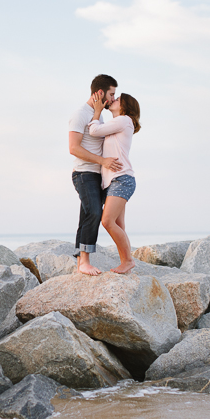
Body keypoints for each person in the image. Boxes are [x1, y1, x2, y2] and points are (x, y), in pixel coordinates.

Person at [68, 75, 122, 276]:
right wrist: (103, 162)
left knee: (87, 213)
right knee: (94, 213)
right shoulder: (80, 114)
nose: (113, 98)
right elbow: (73, 148)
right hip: (84, 173)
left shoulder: (98, 115)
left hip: (97, 175)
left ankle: (81, 260)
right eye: (111, 94)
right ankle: (84, 261)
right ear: (100, 93)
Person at [88, 93, 141, 274]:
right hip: (116, 180)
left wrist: (96, 112)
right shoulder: (116, 125)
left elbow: (94, 130)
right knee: (119, 224)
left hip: (122, 179)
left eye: (117, 99)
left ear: (125, 106)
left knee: (107, 221)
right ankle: (125, 261)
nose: (114, 100)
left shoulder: (124, 120)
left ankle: (128, 261)